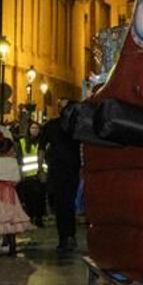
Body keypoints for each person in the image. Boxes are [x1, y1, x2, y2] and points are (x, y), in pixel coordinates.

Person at [36, 104, 81, 254]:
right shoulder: (76, 125)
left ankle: (64, 237)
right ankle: (69, 236)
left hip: (57, 168)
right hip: (72, 168)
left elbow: (41, 147)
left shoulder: (51, 125)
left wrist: (40, 167)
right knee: (69, 202)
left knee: (62, 203)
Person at [0, 132, 33, 254]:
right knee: (11, 217)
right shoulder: (13, 162)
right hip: (10, 191)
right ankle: (11, 246)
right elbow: (17, 178)